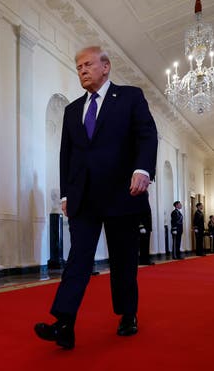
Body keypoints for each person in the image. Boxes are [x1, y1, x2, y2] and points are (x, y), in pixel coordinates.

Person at [34, 46, 158, 350]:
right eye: (78, 67)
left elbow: (147, 135)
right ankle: (64, 323)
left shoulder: (130, 97)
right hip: (84, 197)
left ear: (106, 67)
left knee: (123, 259)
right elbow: (67, 155)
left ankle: (128, 314)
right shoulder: (72, 110)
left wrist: (143, 169)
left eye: (87, 64)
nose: (82, 70)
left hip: (122, 192)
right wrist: (65, 193)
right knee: (78, 258)